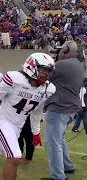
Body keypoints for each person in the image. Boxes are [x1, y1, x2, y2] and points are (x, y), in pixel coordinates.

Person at [42, 41, 85, 180]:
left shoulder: (60, 65)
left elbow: (43, 77)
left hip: (59, 107)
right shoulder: (79, 65)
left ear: (67, 50)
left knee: (53, 142)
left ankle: (58, 177)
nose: (59, 53)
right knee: (59, 139)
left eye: (61, 51)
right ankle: (68, 166)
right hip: (71, 108)